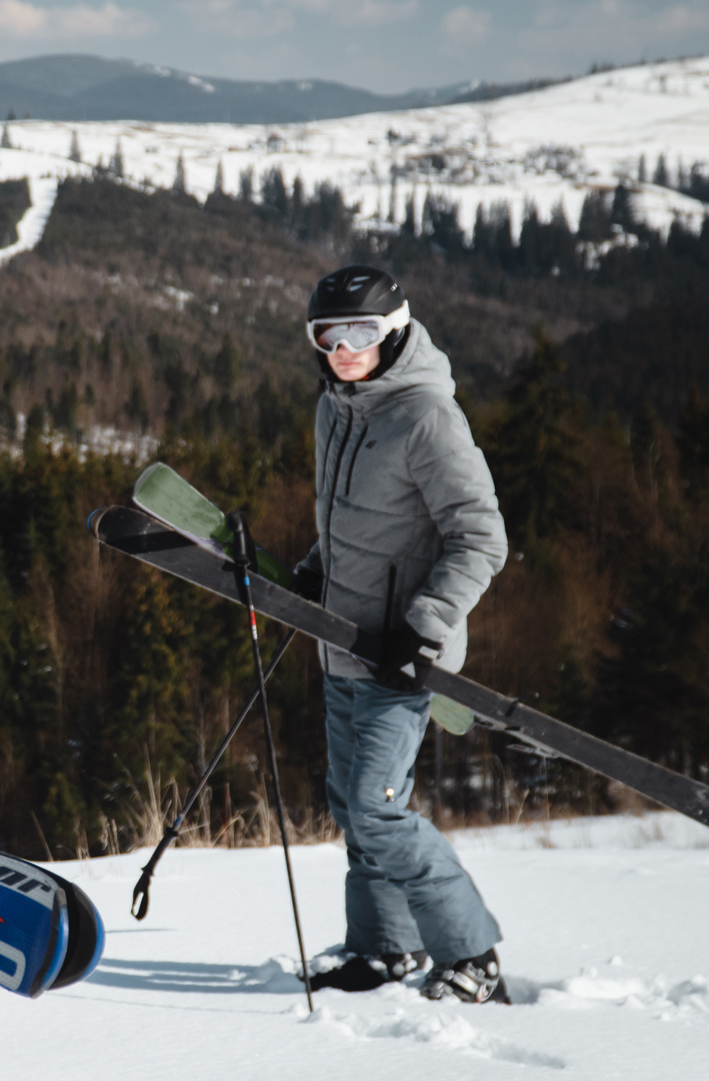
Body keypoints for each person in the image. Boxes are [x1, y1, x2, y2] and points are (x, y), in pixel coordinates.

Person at [288, 265, 511, 1004]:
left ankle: (474, 954)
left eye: (361, 333)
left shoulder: (426, 416)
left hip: (403, 657)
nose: (344, 347)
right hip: (343, 645)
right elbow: (356, 522)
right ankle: (383, 948)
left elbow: (480, 537)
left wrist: (423, 628)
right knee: (352, 809)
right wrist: (317, 566)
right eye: (329, 334)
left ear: (394, 331)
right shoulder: (335, 409)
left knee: (378, 808)